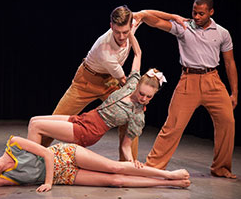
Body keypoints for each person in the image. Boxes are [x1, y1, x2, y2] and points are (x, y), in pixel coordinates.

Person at [42, 5, 184, 161]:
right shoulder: (105, 50)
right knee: (56, 118)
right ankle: (32, 155)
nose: (122, 37)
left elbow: (146, 14)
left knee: (131, 117)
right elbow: (125, 81)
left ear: (131, 25)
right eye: (117, 32)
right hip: (87, 81)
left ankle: (127, 166)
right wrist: (138, 97)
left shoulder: (132, 22)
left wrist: (173, 16)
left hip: (110, 81)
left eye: (125, 32)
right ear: (111, 26)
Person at [133, 0, 238, 178]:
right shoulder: (184, 27)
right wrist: (164, 16)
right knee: (173, 125)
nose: (196, 17)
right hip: (189, 80)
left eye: (201, 13)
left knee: (228, 122)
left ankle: (221, 168)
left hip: (213, 80)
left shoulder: (222, 33)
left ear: (211, 12)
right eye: (194, 12)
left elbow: (229, 63)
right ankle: (154, 167)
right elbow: (153, 20)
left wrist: (234, 92)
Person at [27, 29, 166, 165]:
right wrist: (129, 32)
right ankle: (31, 163)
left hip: (88, 131)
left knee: (37, 126)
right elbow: (138, 53)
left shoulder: (138, 115)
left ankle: (29, 166)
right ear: (137, 86)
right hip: (84, 119)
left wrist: (132, 162)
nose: (143, 99)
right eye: (142, 94)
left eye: (149, 97)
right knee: (34, 121)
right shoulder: (131, 83)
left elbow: (126, 146)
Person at [0, 135, 191, 193]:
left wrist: (47, 182)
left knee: (115, 167)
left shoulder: (13, 144)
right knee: (115, 182)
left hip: (64, 156)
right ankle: (171, 184)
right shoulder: (3, 180)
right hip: (65, 177)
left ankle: (168, 173)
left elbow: (47, 155)